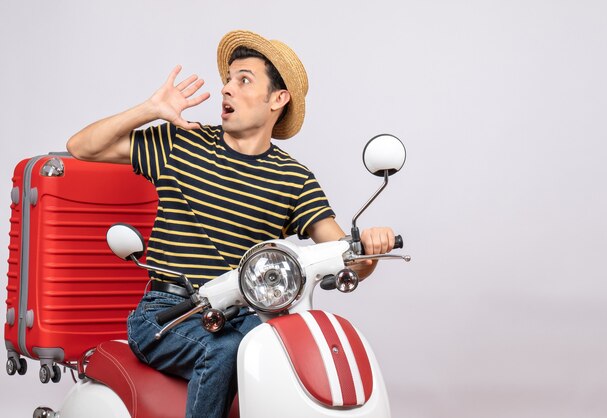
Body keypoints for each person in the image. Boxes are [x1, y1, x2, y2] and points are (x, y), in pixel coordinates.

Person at [67, 30, 396, 418]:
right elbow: (82, 146)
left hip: (245, 314)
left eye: (243, 80)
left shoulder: (294, 178)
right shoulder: (180, 144)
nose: (227, 89)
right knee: (223, 350)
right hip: (168, 313)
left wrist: (369, 249)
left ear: (278, 99)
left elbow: (343, 254)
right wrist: (150, 109)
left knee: (294, 350)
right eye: (227, 80)